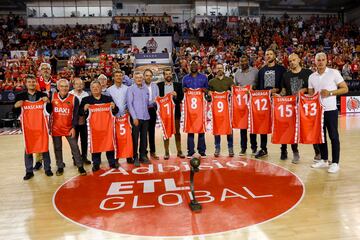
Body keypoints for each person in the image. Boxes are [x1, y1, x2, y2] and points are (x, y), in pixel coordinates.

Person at [308, 52, 348, 173]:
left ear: (326, 60)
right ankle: (324, 160)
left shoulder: (334, 73)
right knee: (321, 137)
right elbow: (311, 94)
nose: (320, 62)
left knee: (333, 136)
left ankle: (335, 163)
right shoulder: (312, 77)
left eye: (322, 59)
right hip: (318, 111)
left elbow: (345, 88)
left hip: (330, 110)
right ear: (315, 61)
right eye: (318, 60)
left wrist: (330, 93)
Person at [14, 75, 53, 180]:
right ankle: (29, 171)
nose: (31, 83)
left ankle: (47, 168)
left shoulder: (43, 95)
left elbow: (49, 110)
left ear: (36, 83)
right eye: (29, 82)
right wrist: (15, 106)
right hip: (28, 128)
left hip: (41, 127)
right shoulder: (20, 96)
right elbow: (16, 111)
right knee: (28, 149)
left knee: (44, 148)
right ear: (26, 84)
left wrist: (48, 102)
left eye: (33, 82)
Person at [279, 53, 316, 163]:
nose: (292, 62)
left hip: (306, 107)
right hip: (291, 107)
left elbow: (313, 89)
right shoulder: (286, 75)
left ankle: (318, 153)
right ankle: (295, 153)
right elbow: (284, 91)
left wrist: (304, 90)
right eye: (290, 61)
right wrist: (279, 96)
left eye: (294, 60)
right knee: (291, 131)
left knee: (311, 130)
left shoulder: (308, 73)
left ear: (299, 60)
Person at [49, 79, 86, 176]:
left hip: (69, 128)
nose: (64, 88)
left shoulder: (74, 99)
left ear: (69, 87)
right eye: (61, 86)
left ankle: (80, 166)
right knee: (57, 148)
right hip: (56, 127)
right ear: (58, 87)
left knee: (75, 147)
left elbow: (76, 115)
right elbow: (48, 111)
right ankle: (60, 166)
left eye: (66, 86)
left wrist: (73, 127)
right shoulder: (52, 96)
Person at [80, 80, 119, 172]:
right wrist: (84, 108)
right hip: (94, 129)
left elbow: (116, 111)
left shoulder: (108, 99)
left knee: (109, 143)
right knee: (96, 145)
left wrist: (113, 107)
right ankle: (96, 163)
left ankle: (112, 162)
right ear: (90, 89)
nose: (95, 89)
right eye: (93, 87)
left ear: (101, 88)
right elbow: (80, 113)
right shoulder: (86, 100)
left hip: (107, 127)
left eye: (97, 87)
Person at [255, 49, 286, 158]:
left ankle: (284, 150)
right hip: (265, 102)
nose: (268, 56)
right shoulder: (261, 70)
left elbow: (285, 85)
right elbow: (259, 87)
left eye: (271, 54)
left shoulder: (281, 69)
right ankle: (263, 149)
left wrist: (278, 90)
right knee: (263, 125)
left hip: (278, 100)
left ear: (275, 55)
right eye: (267, 54)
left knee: (281, 125)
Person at [182, 60, 208, 158]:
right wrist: (184, 90)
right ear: (189, 66)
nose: (193, 66)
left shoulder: (204, 78)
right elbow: (183, 90)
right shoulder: (185, 78)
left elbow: (207, 90)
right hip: (190, 109)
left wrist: (205, 91)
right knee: (190, 129)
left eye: (195, 65)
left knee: (201, 129)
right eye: (192, 65)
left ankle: (202, 151)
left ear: (198, 67)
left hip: (200, 108)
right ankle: (190, 151)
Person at [157, 68, 185, 159]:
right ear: (164, 76)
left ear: (172, 75)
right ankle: (166, 152)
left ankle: (179, 151)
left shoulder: (178, 85)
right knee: (166, 132)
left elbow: (181, 98)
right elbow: (157, 99)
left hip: (175, 113)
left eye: (169, 74)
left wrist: (176, 96)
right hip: (165, 114)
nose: (168, 75)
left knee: (177, 132)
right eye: (166, 74)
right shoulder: (159, 86)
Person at [208, 63, 234, 157]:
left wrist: (230, 92)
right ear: (215, 70)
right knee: (217, 128)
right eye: (217, 68)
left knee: (229, 128)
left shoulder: (229, 80)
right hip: (216, 109)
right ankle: (217, 147)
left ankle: (230, 148)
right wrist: (209, 92)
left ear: (223, 69)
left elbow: (234, 92)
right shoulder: (211, 81)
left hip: (227, 109)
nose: (219, 70)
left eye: (221, 68)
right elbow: (207, 93)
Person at [234, 55, 258, 155]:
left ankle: (254, 147)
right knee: (242, 127)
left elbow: (258, 84)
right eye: (241, 61)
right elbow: (235, 86)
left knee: (253, 126)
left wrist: (254, 87)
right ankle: (243, 148)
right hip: (241, 104)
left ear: (248, 61)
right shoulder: (237, 73)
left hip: (253, 102)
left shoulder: (255, 71)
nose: (243, 63)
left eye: (245, 61)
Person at [126, 71, 151, 167]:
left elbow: (147, 103)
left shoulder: (146, 89)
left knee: (144, 138)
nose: (139, 79)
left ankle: (143, 156)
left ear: (143, 79)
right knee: (135, 138)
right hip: (136, 118)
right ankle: (135, 156)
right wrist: (134, 117)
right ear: (134, 79)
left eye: (141, 78)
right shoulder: (131, 89)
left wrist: (157, 101)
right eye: (137, 78)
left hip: (146, 117)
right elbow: (129, 104)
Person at [69, 78, 91, 165]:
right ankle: (75, 158)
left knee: (84, 140)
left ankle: (84, 157)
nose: (79, 86)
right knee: (74, 141)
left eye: (81, 84)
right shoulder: (70, 94)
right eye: (77, 84)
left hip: (83, 121)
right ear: (73, 85)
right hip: (73, 121)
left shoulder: (86, 94)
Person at [143, 69, 160, 160]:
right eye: (147, 75)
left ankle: (153, 152)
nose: (148, 77)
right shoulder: (140, 86)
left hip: (152, 111)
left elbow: (156, 99)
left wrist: (151, 102)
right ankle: (144, 153)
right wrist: (151, 102)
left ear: (152, 77)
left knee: (152, 132)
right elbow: (142, 101)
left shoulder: (155, 86)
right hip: (143, 111)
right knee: (144, 133)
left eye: (150, 76)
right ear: (144, 76)